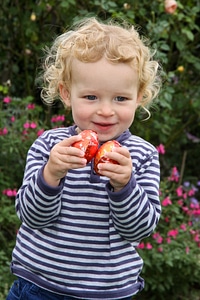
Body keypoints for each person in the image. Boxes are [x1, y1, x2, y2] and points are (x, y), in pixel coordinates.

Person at [7, 17, 162, 300]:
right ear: (67, 94)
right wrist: (51, 174)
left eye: (120, 99)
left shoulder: (141, 156)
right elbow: (31, 216)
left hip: (106, 292)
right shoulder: (50, 146)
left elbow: (139, 230)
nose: (105, 110)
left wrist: (125, 186)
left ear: (138, 97)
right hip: (39, 287)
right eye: (91, 97)